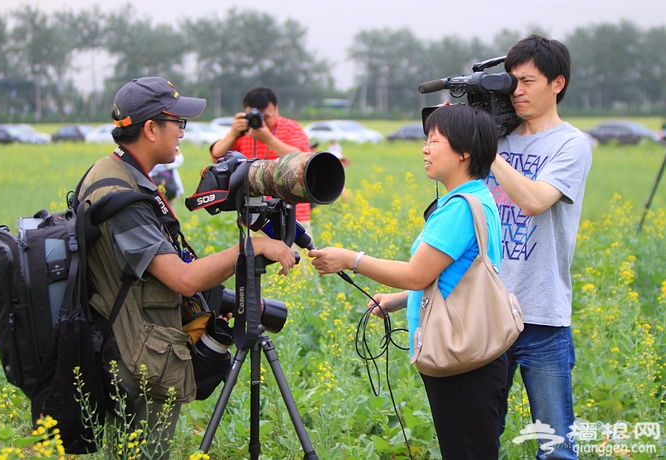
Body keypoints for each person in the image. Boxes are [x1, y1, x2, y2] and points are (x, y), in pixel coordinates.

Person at [77, 77, 296, 459]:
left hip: (130, 344)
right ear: (150, 128)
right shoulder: (120, 193)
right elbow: (183, 278)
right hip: (138, 358)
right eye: (178, 122)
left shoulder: (120, 175)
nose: (182, 132)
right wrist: (255, 245)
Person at [309, 104, 507, 459]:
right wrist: (398, 299)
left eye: (434, 140)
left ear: (465, 152)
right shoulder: (474, 196)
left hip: (464, 361)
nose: (425, 149)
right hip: (469, 356)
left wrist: (351, 260)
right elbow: (447, 275)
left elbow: (418, 273)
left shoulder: (460, 208)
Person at [485, 35, 592, 459]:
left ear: (557, 84)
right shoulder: (501, 139)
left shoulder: (570, 144)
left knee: (555, 447)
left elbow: (532, 201)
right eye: (511, 81)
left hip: (542, 317)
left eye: (527, 81)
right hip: (487, 315)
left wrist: (486, 149)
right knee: (478, 439)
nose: (517, 91)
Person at [209, 86, 313, 232]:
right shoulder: (245, 132)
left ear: (276, 107)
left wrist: (268, 139)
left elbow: (304, 160)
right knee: (258, 254)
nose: (261, 122)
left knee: (296, 255)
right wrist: (233, 132)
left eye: (265, 117)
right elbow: (216, 156)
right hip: (256, 215)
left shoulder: (290, 128)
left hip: (293, 214)